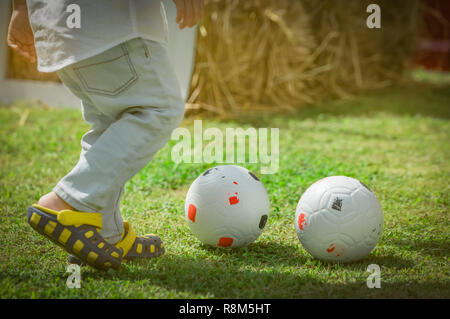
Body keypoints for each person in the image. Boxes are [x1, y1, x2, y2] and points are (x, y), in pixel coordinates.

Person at [7, 0, 204, 270]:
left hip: (60, 28)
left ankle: (104, 232)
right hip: (111, 27)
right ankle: (68, 201)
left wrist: (20, 8)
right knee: (160, 109)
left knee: (111, 123)